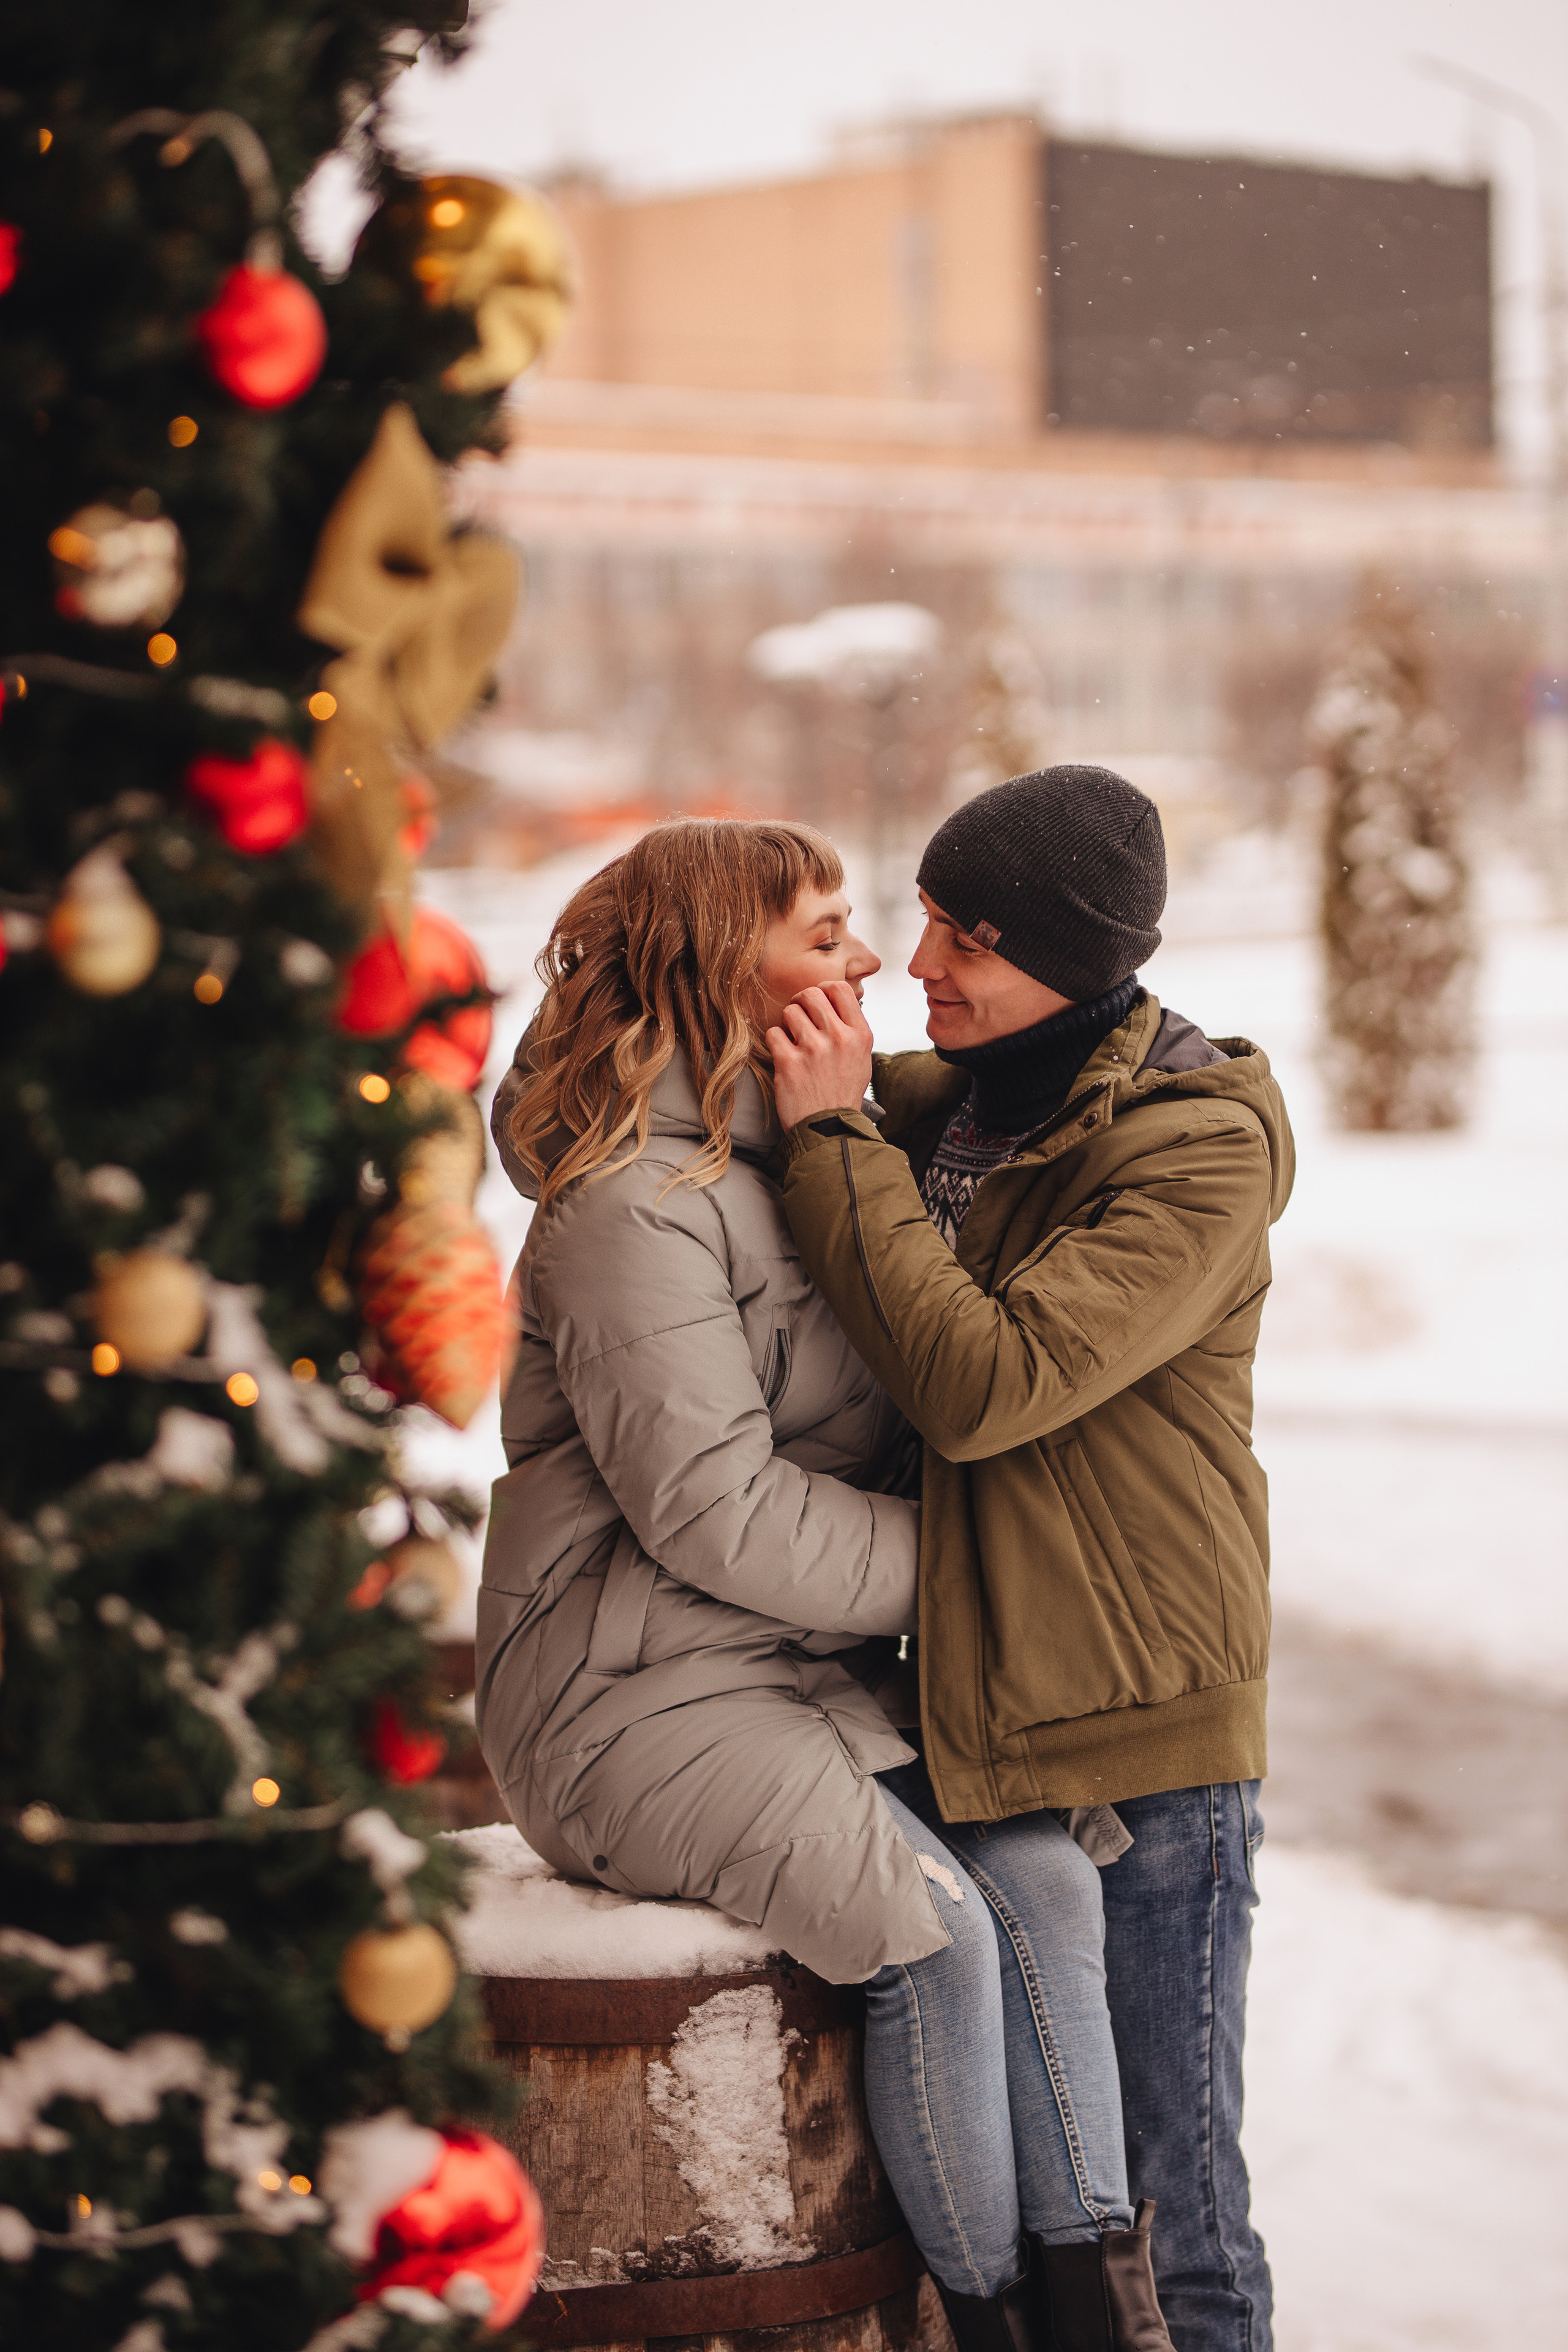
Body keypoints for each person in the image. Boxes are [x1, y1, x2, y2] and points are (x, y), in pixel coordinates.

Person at [478, 816, 1180, 2352]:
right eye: (823, 931)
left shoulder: (796, 1158)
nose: (865, 961)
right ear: (718, 969)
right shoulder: (626, 1211)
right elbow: (716, 1516)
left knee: (1047, 1882)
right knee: (932, 1926)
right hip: (625, 1698)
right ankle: (984, 2323)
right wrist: (988, 1576)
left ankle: (1103, 2324)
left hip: (789, 1678)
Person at [766, 767, 1295, 2352]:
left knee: (1171, 2199)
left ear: (1077, 954)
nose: (924, 961)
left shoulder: (1194, 1148)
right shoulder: (956, 1105)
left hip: (1141, 1730)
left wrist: (838, 1138)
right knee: (1046, 2182)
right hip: (977, 1702)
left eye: (969, 935)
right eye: (921, 914)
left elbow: (984, 1386)